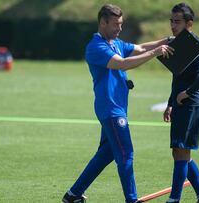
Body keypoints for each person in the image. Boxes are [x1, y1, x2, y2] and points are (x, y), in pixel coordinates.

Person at [62, 4, 173, 203]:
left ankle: (73, 194)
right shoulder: (96, 47)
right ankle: (132, 200)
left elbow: (139, 48)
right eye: (115, 24)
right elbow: (122, 63)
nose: (119, 28)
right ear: (102, 23)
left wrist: (168, 40)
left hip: (117, 108)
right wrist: (155, 52)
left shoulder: (115, 42)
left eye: (121, 24)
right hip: (111, 109)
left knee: (107, 154)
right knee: (126, 154)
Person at [162, 3, 199, 203]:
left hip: (191, 104)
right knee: (179, 151)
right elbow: (177, 77)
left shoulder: (194, 43)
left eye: (177, 22)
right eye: (171, 21)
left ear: (189, 23)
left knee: (181, 149)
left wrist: (188, 92)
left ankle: (174, 199)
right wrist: (170, 103)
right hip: (180, 103)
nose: (172, 25)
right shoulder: (179, 42)